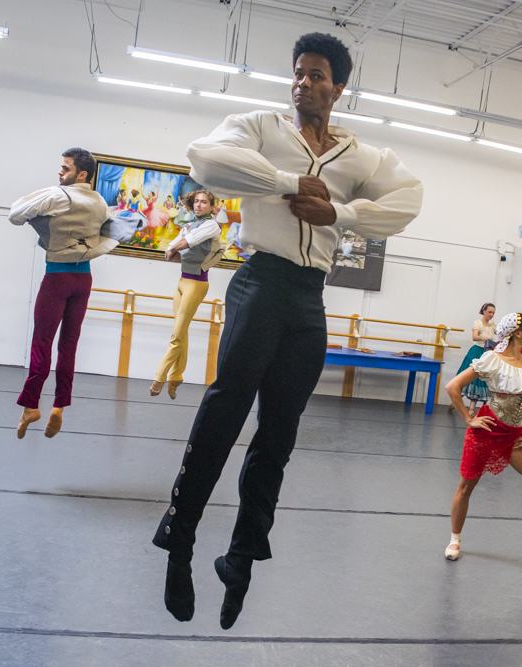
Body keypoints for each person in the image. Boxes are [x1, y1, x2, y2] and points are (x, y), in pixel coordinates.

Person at [152, 32, 423, 630]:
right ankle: (181, 537)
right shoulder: (259, 126)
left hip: (309, 299)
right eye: (298, 72)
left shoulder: (359, 156)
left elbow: (408, 200)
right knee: (225, 410)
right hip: (259, 281)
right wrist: (290, 184)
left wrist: (342, 214)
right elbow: (205, 158)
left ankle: (243, 556)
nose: (304, 82)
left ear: (339, 87)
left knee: (279, 432)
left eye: (318, 75)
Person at [443, 313, 522, 579]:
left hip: (515, 437)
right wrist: (470, 419)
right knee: (466, 488)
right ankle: (455, 539)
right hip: (486, 433)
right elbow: (453, 386)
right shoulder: (492, 361)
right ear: (517, 333)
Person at [9, 148, 119, 440]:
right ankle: (59, 405)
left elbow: (15, 215)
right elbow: (113, 230)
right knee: (68, 345)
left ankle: (31, 405)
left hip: (57, 277)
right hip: (83, 280)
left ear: (81, 174)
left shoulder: (59, 195)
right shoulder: (99, 202)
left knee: (42, 343)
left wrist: (41, 206)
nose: (60, 172)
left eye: (65, 168)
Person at [151, 190, 225, 399]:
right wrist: (172, 249)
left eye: (204, 202)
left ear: (212, 207)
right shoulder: (188, 225)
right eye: (196, 202)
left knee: (176, 336)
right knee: (181, 332)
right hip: (182, 282)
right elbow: (170, 248)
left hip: (196, 284)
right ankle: (177, 376)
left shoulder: (211, 225)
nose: (199, 205)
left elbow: (185, 243)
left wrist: (174, 248)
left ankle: (160, 376)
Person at [449, 303, 496, 412]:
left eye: (493, 312)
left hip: (487, 353)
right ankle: (457, 403)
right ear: (484, 311)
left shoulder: (493, 326)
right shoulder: (478, 323)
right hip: (476, 352)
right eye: (490, 312)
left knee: (481, 379)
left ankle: (471, 409)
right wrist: (481, 337)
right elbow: (474, 337)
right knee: (469, 377)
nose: (491, 314)